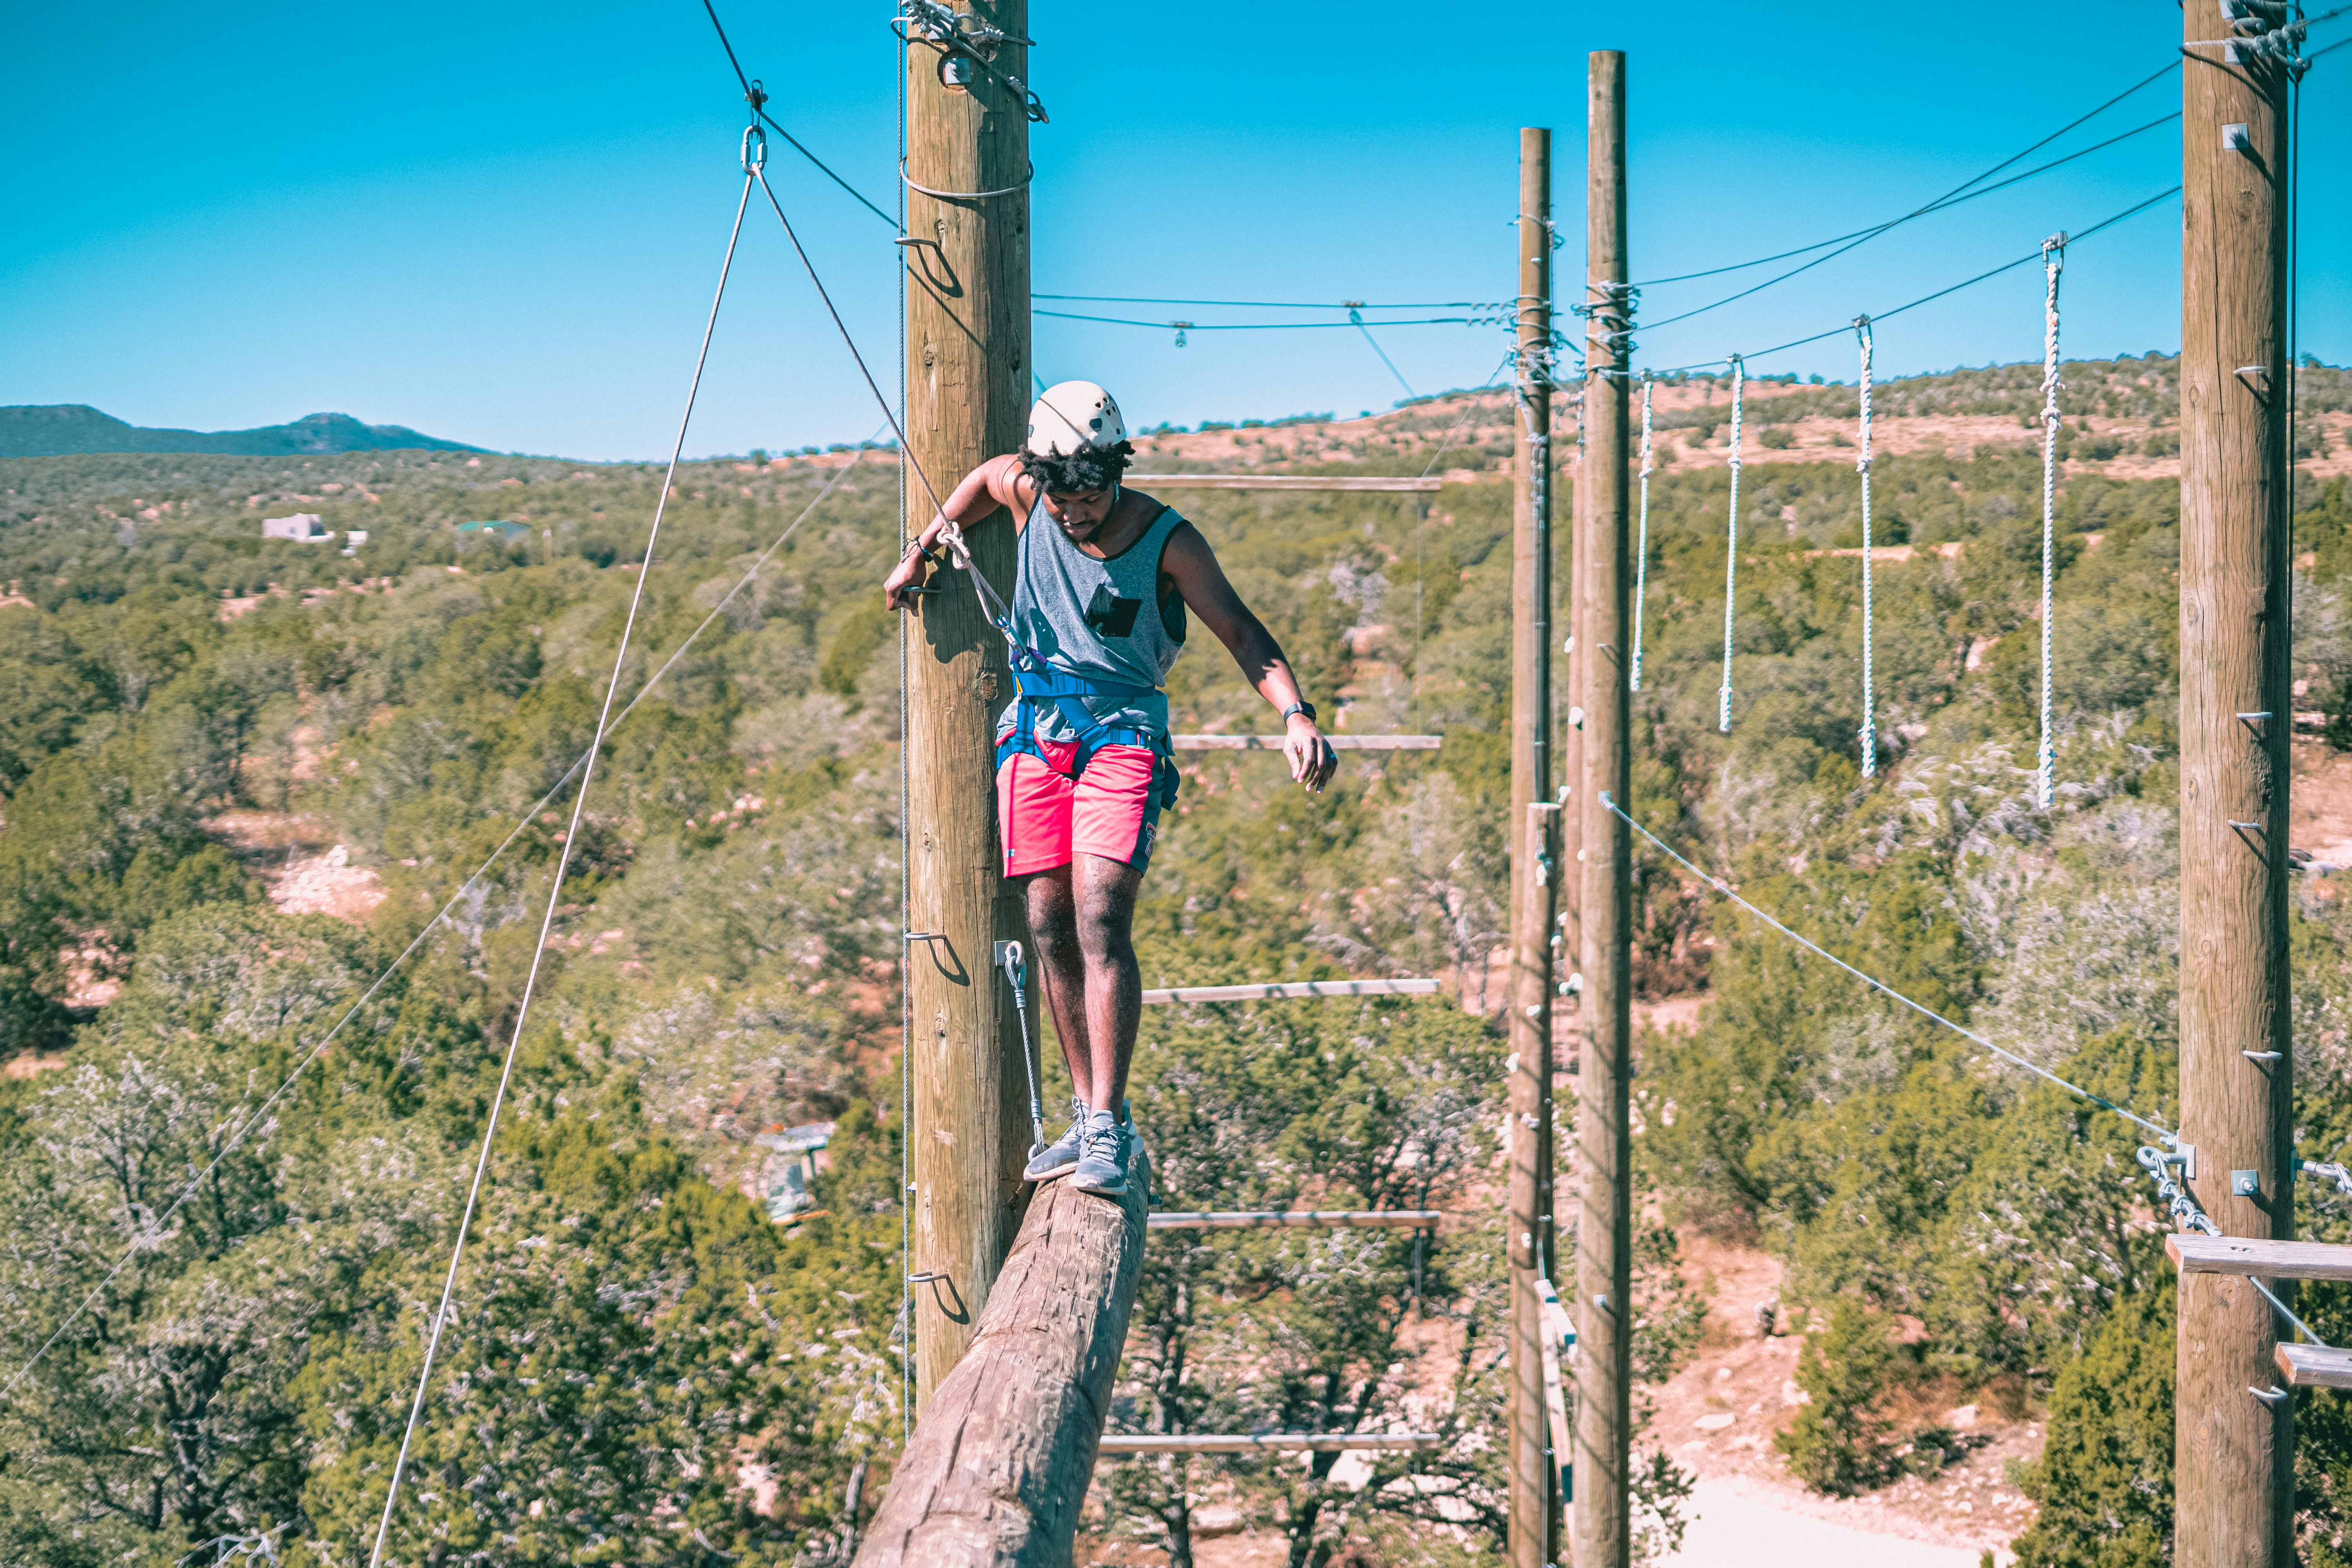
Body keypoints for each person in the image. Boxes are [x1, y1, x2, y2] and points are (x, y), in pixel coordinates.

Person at [885, 381, 1338, 1198]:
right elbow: (986, 481)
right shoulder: (1031, 491)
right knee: (1049, 920)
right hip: (1034, 730)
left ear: (1115, 470)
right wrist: (922, 547)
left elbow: (1242, 631)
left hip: (1122, 731)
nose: (1074, 513)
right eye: (1060, 497)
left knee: (1101, 916)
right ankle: (1087, 1111)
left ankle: (1107, 1119)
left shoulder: (1169, 540)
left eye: (1089, 496)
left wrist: (1297, 714)